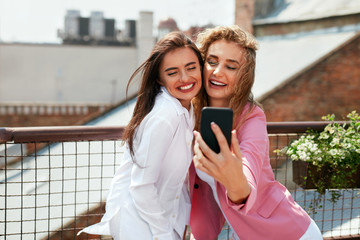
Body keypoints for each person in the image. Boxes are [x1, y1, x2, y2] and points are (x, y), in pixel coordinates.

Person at [189, 25, 322, 240]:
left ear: (243, 76)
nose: (218, 71)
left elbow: (248, 170)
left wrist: (236, 181)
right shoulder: (190, 115)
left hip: (287, 232)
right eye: (212, 61)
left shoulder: (252, 117)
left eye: (231, 66)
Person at [78, 31, 203, 240]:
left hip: (160, 222)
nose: (185, 78)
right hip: (141, 227)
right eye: (172, 72)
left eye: (191, 67)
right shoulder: (165, 116)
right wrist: (164, 234)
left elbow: (176, 181)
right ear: (160, 79)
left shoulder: (187, 110)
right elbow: (141, 186)